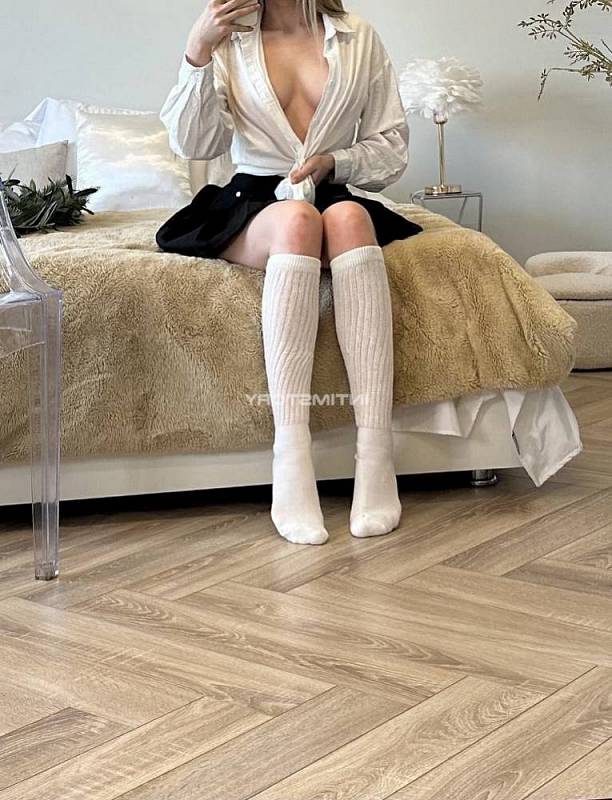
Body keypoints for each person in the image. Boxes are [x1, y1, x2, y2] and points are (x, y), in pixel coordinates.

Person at [157, 0, 422, 546]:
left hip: (331, 188)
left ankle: (377, 455)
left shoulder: (357, 36)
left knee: (349, 217)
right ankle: (291, 456)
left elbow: (391, 147)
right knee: (300, 221)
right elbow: (194, 144)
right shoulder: (228, 38)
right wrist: (197, 50)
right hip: (253, 199)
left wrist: (336, 163)